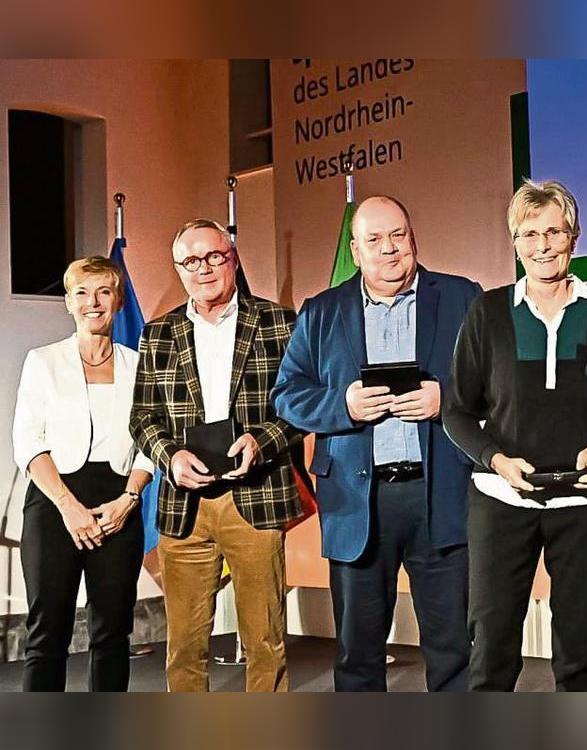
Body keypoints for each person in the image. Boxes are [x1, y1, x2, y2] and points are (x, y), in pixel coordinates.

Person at [272, 195, 481, 692]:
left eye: (397, 236)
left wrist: (445, 397)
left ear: (412, 238)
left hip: (440, 493)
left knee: (454, 648)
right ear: (355, 249)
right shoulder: (321, 312)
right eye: (374, 240)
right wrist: (341, 406)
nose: (389, 249)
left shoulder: (462, 297)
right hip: (356, 501)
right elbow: (286, 395)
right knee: (358, 654)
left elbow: (497, 383)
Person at [443, 180, 587, 691]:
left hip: (586, 505)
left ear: (574, 237)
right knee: (492, 650)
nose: (542, 245)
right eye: (528, 234)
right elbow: (456, 411)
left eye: (554, 231)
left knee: (579, 653)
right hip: (501, 502)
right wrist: (496, 460)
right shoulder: (489, 312)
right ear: (515, 243)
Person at [130, 219, 301, 692]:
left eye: (214, 257)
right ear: (178, 270)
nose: (203, 269)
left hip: (256, 497)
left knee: (264, 641)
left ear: (233, 258)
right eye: (190, 261)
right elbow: (142, 417)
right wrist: (170, 458)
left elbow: (301, 405)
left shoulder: (279, 322)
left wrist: (261, 441)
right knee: (184, 647)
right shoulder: (157, 333)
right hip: (184, 506)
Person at [12, 257, 154, 691]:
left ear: (119, 299)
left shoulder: (139, 365)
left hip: (118, 503)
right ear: (69, 303)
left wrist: (130, 498)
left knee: (112, 634)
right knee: (47, 633)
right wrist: (69, 507)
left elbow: (152, 442)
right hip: (55, 501)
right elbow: (28, 442)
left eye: (104, 292)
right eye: (82, 293)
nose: (94, 303)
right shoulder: (43, 361)